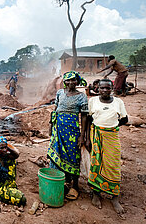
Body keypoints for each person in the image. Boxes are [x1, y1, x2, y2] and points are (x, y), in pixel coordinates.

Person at [86, 78, 128, 217]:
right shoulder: (92, 101)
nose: (104, 90)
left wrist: (112, 127)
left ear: (112, 89)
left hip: (112, 137)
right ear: (97, 89)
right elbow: (89, 119)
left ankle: (114, 197)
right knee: (96, 164)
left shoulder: (118, 102)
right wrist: (87, 138)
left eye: (107, 88)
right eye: (102, 88)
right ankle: (96, 194)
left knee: (114, 165)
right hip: (96, 135)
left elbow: (124, 119)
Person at [47, 71, 88, 200]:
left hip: (72, 131)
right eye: (68, 80)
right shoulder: (60, 93)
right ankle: (60, 181)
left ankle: (75, 186)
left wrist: (82, 136)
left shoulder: (82, 96)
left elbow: (85, 117)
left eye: (73, 80)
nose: (71, 83)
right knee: (57, 155)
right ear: (64, 82)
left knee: (73, 156)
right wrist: (50, 124)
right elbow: (56, 109)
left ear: (78, 81)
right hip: (58, 129)